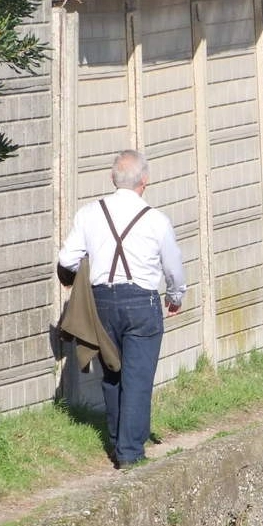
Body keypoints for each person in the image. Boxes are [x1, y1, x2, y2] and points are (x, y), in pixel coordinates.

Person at [58, 150, 186, 470]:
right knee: (138, 378)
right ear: (145, 180)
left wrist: (72, 281)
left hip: (102, 302)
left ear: (112, 178)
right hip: (142, 302)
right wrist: (175, 296)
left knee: (112, 374)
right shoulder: (156, 220)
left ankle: (117, 443)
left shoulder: (89, 213)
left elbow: (66, 261)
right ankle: (130, 454)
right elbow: (173, 267)